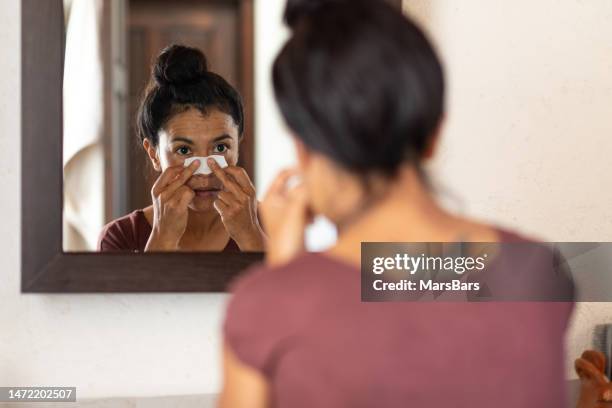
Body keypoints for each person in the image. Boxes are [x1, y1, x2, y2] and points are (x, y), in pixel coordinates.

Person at [219, 0, 574, 407]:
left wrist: (284, 276)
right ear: (434, 134)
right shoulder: (537, 271)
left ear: (304, 149)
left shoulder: (267, 308)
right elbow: (427, 289)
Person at [98, 45, 266, 252]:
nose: (204, 172)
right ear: (154, 154)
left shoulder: (280, 224)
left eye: (220, 147)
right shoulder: (121, 237)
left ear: (238, 146)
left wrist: (251, 236)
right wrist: (162, 238)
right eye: (184, 151)